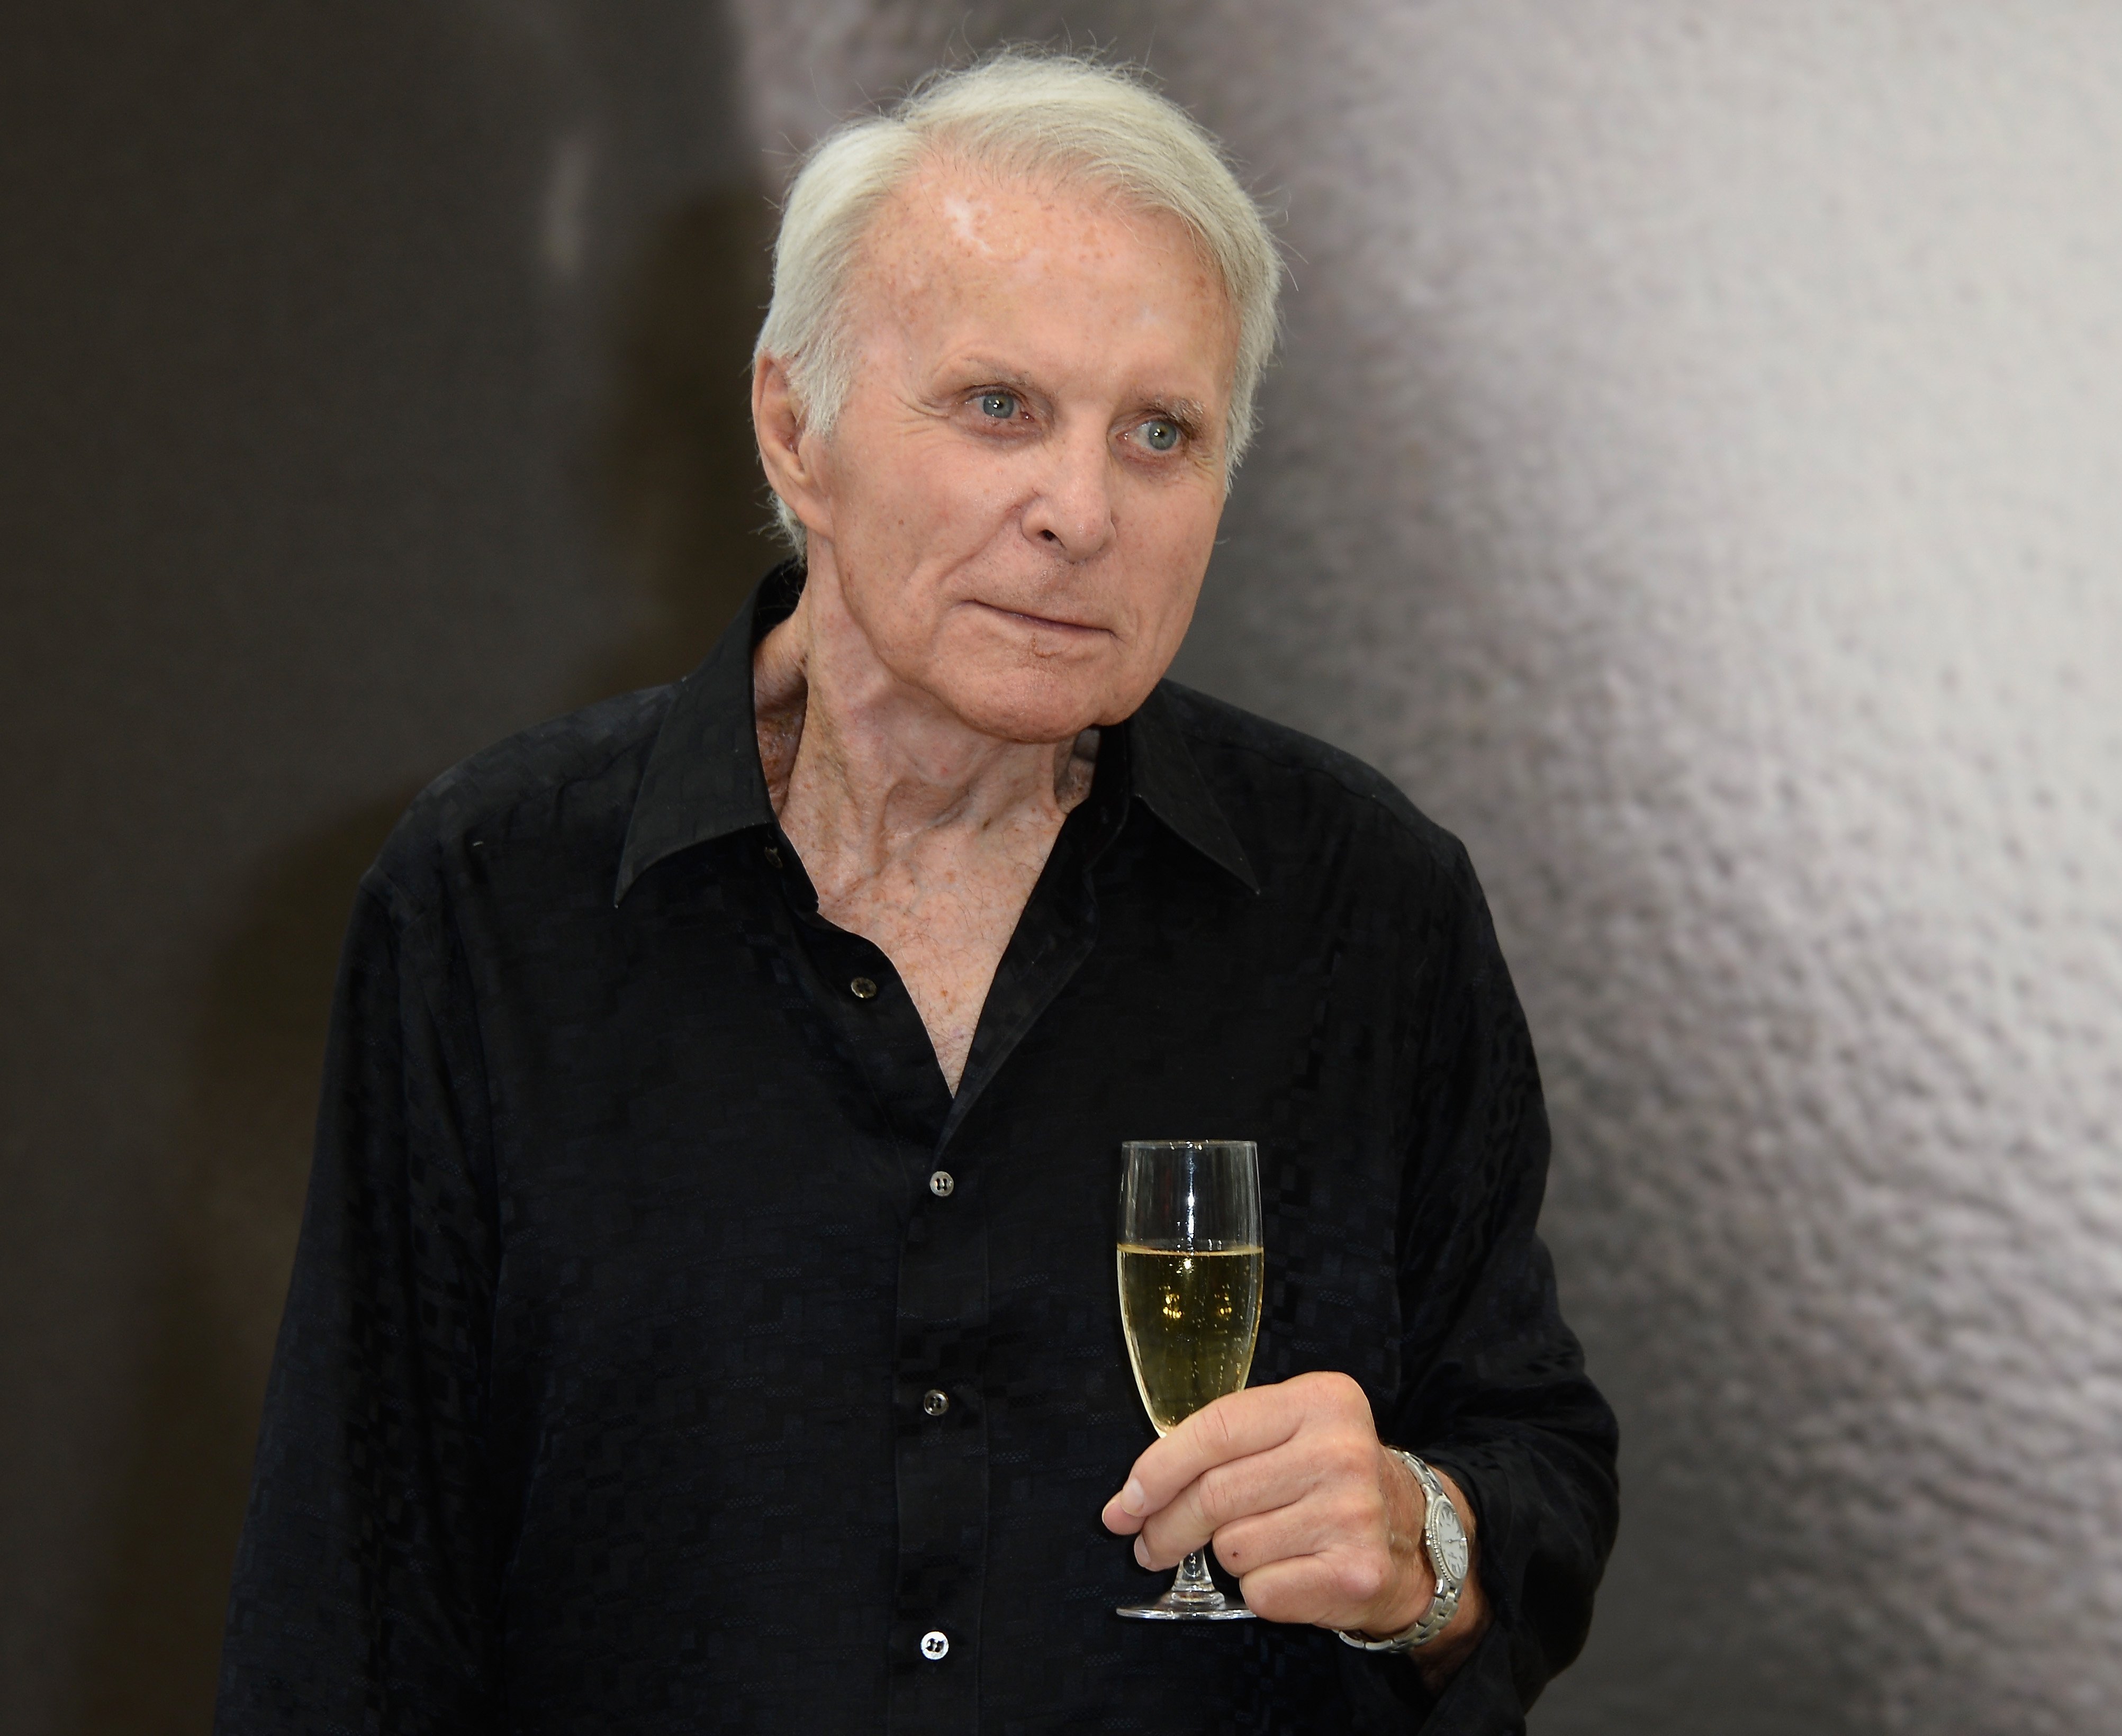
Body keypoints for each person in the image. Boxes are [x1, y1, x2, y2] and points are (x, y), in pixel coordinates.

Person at [219, 50, 1615, 1734]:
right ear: (794, 430)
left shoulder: (1367, 905)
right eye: (999, 407)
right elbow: (352, 1604)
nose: (1079, 512)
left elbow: (1533, 1469)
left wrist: (1428, 1544)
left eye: (1159, 434)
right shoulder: (494, 897)